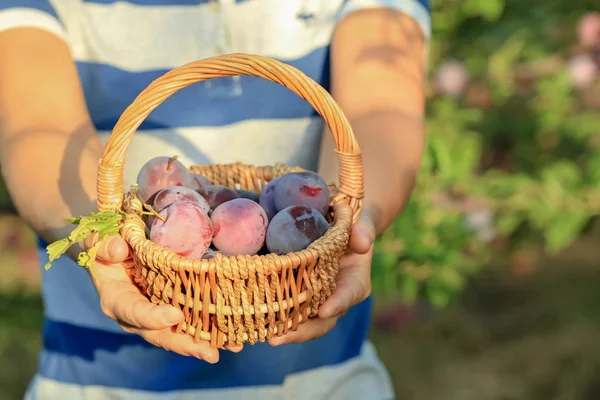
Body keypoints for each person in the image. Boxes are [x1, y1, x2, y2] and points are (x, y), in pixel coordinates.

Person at [0, 1, 429, 399]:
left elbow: (382, 107)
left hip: (327, 384)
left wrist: (355, 216)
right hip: (97, 384)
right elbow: (35, 127)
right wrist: (98, 239)